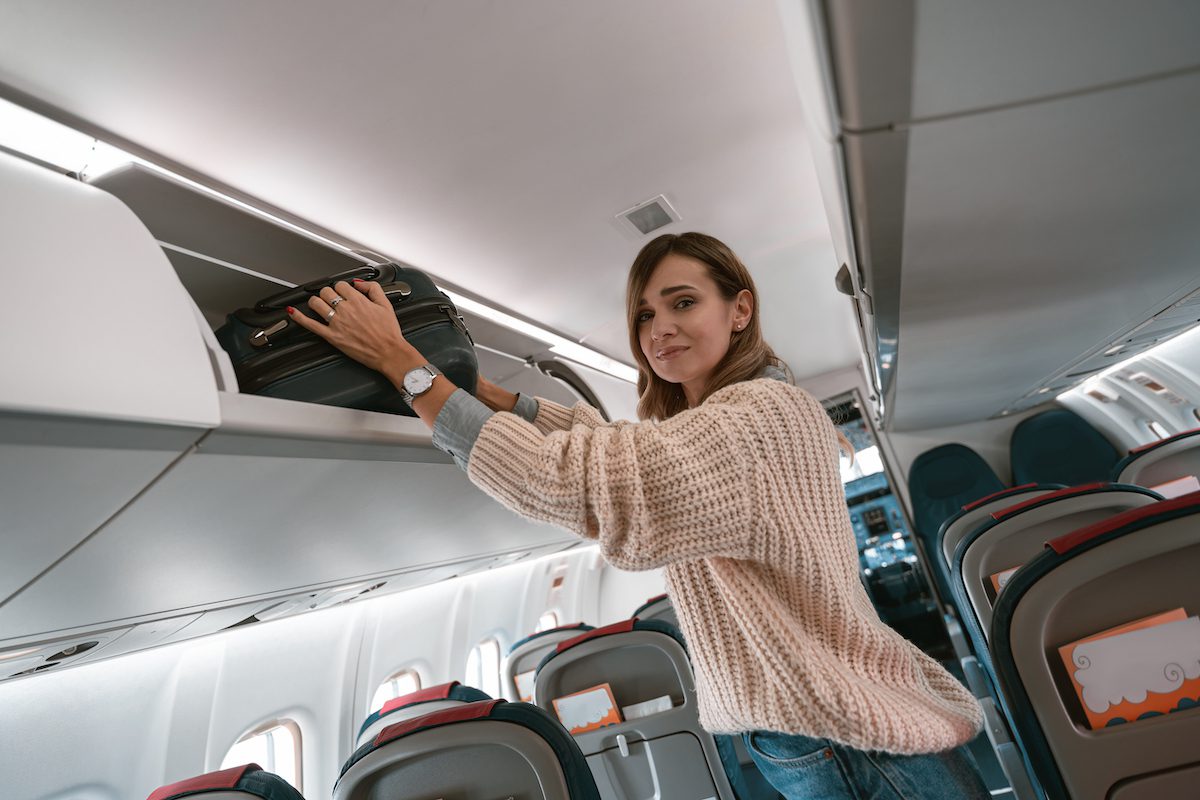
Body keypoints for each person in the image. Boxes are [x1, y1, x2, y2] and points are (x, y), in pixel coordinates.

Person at [286, 232, 991, 799]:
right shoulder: (743, 413)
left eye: (683, 303)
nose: (660, 328)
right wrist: (488, 394)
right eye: (645, 316)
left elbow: (580, 482)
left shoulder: (756, 419)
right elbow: (616, 446)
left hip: (846, 742)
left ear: (740, 310)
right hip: (832, 728)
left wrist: (406, 368)